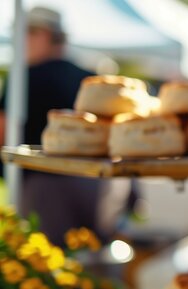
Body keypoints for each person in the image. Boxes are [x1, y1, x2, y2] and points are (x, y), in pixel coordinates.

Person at [0, 7, 130, 245]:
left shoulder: (23, 78)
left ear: (42, 35)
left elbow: (3, 129)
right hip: (98, 182)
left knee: (48, 263)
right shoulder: (88, 77)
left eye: (25, 33)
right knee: (96, 260)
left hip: (45, 185)